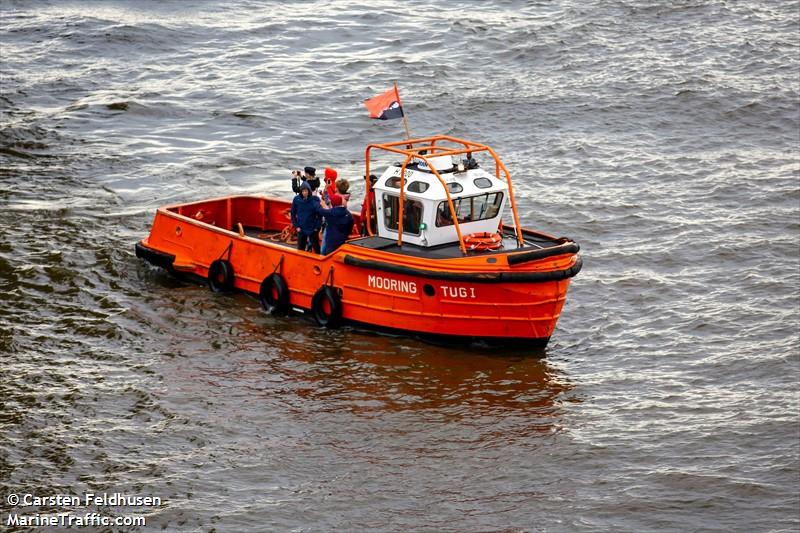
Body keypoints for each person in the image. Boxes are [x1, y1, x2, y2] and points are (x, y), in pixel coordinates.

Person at [290, 181, 322, 253]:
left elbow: (320, 215)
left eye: (306, 191)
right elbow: (293, 214)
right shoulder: (296, 199)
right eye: (303, 191)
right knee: (300, 249)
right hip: (301, 229)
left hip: (312, 229)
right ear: (301, 191)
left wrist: (317, 227)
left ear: (309, 191)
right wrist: (297, 226)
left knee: (316, 248)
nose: (305, 193)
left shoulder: (315, 199)